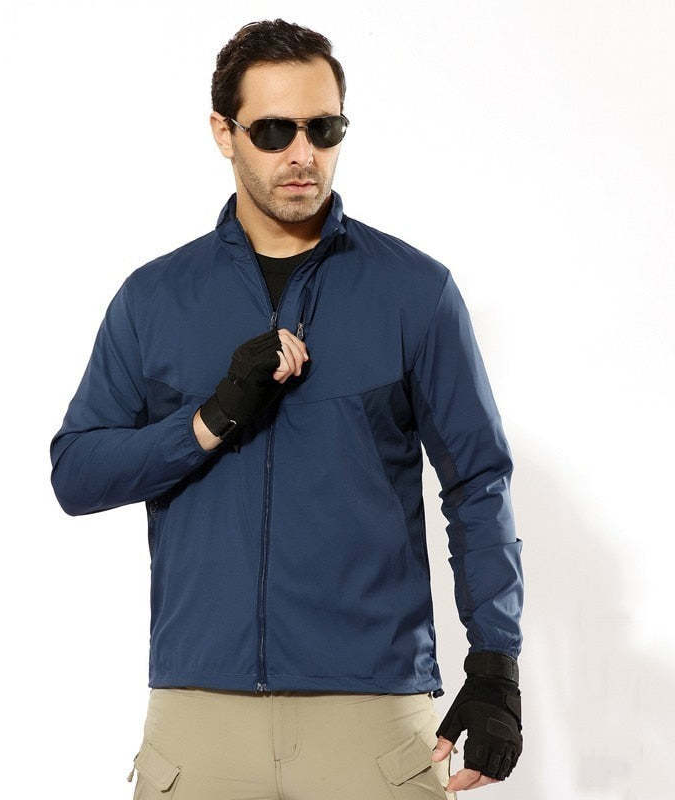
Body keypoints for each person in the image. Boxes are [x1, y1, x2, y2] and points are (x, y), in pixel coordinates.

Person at [49, 18, 524, 800]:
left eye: (323, 128)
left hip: (373, 716)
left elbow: (477, 483)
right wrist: (209, 420)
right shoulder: (155, 299)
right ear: (224, 133)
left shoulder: (414, 292)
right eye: (273, 131)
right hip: (199, 718)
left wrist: (496, 666)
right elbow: (77, 473)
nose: (303, 154)